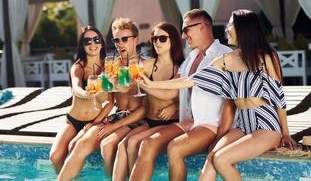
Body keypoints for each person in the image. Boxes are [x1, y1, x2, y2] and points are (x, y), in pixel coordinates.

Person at [142, 9, 297, 181]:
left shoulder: (266, 57)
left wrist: (286, 133)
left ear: (243, 28)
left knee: (221, 160)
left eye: (230, 24)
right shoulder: (228, 59)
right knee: (211, 160)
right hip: (242, 124)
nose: (226, 29)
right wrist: (151, 84)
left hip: (266, 124)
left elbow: (278, 97)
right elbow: (191, 80)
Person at [129, 9, 232, 181]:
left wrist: (222, 135)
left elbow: (231, 102)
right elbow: (171, 90)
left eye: (186, 30)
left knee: (175, 148)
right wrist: (142, 82)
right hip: (188, 122)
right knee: (147, 143)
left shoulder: (224, 55)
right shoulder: (191, 58)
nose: (183, 36)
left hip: (211, 125)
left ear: (202, 27)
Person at [57, 18, 146, 180]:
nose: (120, 44)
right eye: (116, 40)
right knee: (79, 144)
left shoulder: (144, 65)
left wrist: (113, 126)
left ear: (136, 40)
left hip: (137, 119)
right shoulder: (112, 65)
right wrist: (95, 120)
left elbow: (145, 108)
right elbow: (108, 98)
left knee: (107, 145)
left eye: (124, 39)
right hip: (116, 116)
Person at [112, 22, 185, 181]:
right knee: (128, 143)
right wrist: (113, 81)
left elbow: (172, 94)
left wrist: (176, 105)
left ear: (173, 40)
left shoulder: (181, 67)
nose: (157, 42)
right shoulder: (146, 65)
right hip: (151, 121)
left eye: (162, 38)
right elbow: (125, 88)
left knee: (136, 143)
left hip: (171, 122)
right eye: (154, 38)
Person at [49, 25, 108, 173]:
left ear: (101, 42)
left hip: (95, 121)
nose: (92, 44)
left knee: (74, 148)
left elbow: (110, 101)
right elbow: (76, 88)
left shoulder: (108, 68)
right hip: (73, 120)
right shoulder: (78, 67)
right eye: (87, 41)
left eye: (96, 39)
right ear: (82, 46)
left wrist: (97, 122)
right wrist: (86, 93)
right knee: (55, 156)